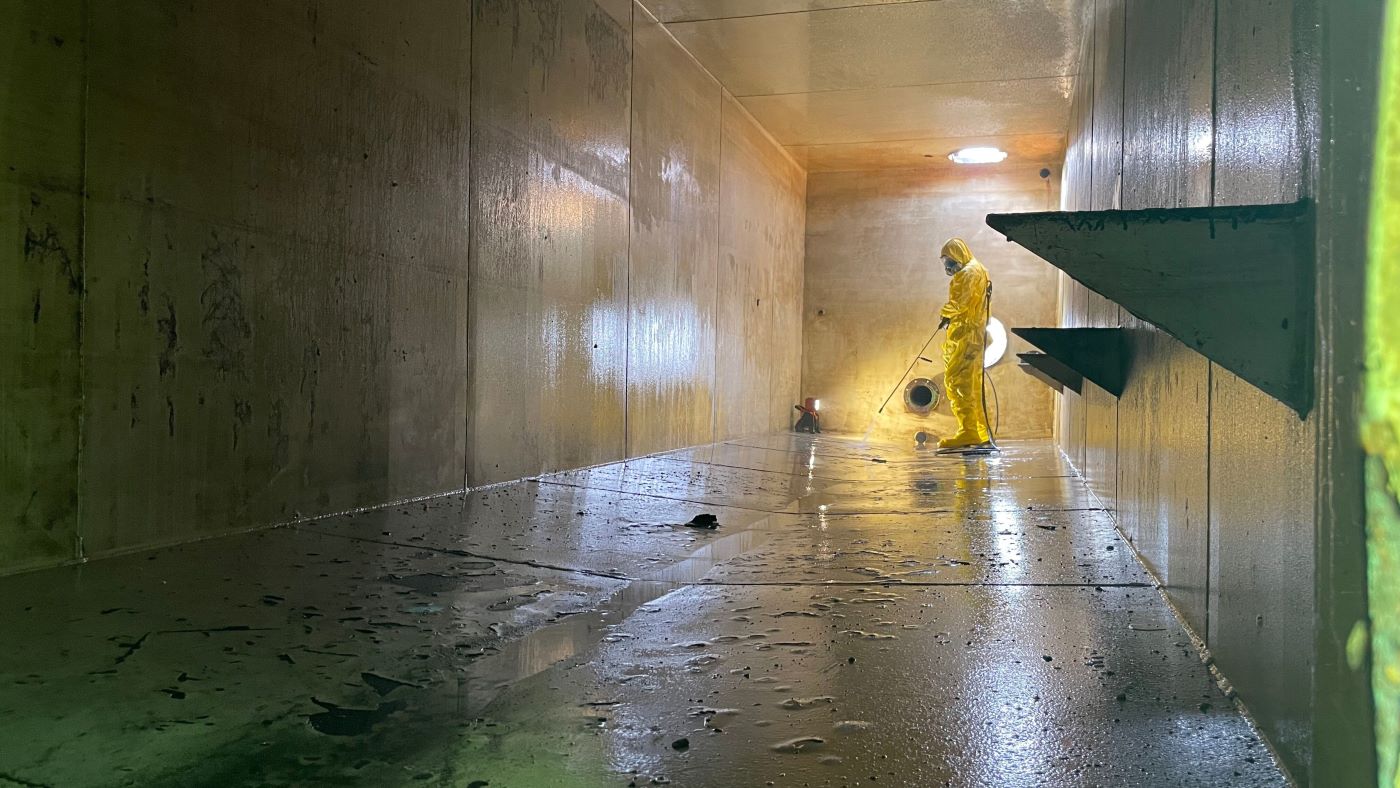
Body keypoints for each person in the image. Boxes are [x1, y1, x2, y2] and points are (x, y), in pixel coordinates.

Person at [936, 238, 993, 450]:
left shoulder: (969, 273)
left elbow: (960, 303)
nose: (948, 267)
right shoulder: (978, 270)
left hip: (967, 336)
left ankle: (969, 432)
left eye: (949, 262)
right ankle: (977, 431)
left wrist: (945, 314)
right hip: (969, 334)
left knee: (957, 382)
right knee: (970, 385)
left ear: (958, 254)